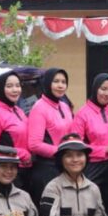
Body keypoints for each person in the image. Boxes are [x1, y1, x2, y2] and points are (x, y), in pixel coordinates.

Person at [71, 73, 108, 216]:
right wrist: (104, 149)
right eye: (103, 89)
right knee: (90, 208)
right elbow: (76, 145)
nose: (106, 93)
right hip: (93, 166)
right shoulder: (83, 113)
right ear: (95, 88)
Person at [27, 67, 74, 205]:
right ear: (47, 83)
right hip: (47, 169)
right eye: (56, 81)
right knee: (48, 211)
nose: (60, 85)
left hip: (65, 166)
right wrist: (62, 151)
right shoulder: (39, 107)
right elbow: (34, 144)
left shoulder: (64, 106)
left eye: (63, 82)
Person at [0, 70, 32, 187]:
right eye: (9, 86)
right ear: (1, 88)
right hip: (8, 172)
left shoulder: (18, 111)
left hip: (26, 169)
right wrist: (22, 154)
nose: (15, 90)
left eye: (17, 85)